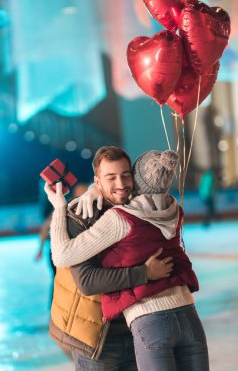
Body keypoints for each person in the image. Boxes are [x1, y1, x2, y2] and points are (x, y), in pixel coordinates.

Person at [46, 148, 209, 371]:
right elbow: (88, 282)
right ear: (98, 180)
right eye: (110, 178)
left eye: (125, 175)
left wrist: (95, 189)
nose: (121, 184)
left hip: (136, 327)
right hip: (97, 338)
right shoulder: (81, 213)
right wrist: (145, 273)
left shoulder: (136, 205)